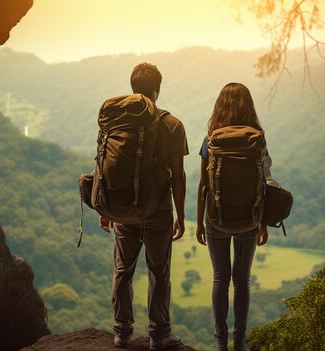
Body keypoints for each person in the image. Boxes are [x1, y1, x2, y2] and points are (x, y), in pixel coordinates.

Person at [99, 62, 188, 350]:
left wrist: (105, 208)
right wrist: (181, 214)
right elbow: (178, 175)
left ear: (133, 88)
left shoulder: (115, 122)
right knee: (158, 271)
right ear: (157, 89)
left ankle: (122, 332)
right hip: (158, 210)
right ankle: (159, 335)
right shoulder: (172, 125)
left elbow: (103, 164)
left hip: (122, 207)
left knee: (123, 269)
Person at [195, 83, 270, 351]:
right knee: (242, 280)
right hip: (249, 218)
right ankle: (240, 341)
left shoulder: (211, 139)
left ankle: (220, 341)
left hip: (216, 219)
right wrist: (263, 222)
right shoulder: (257, 138)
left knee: (220, 278)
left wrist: (198, 221)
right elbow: (263, 182)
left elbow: (203, 184)